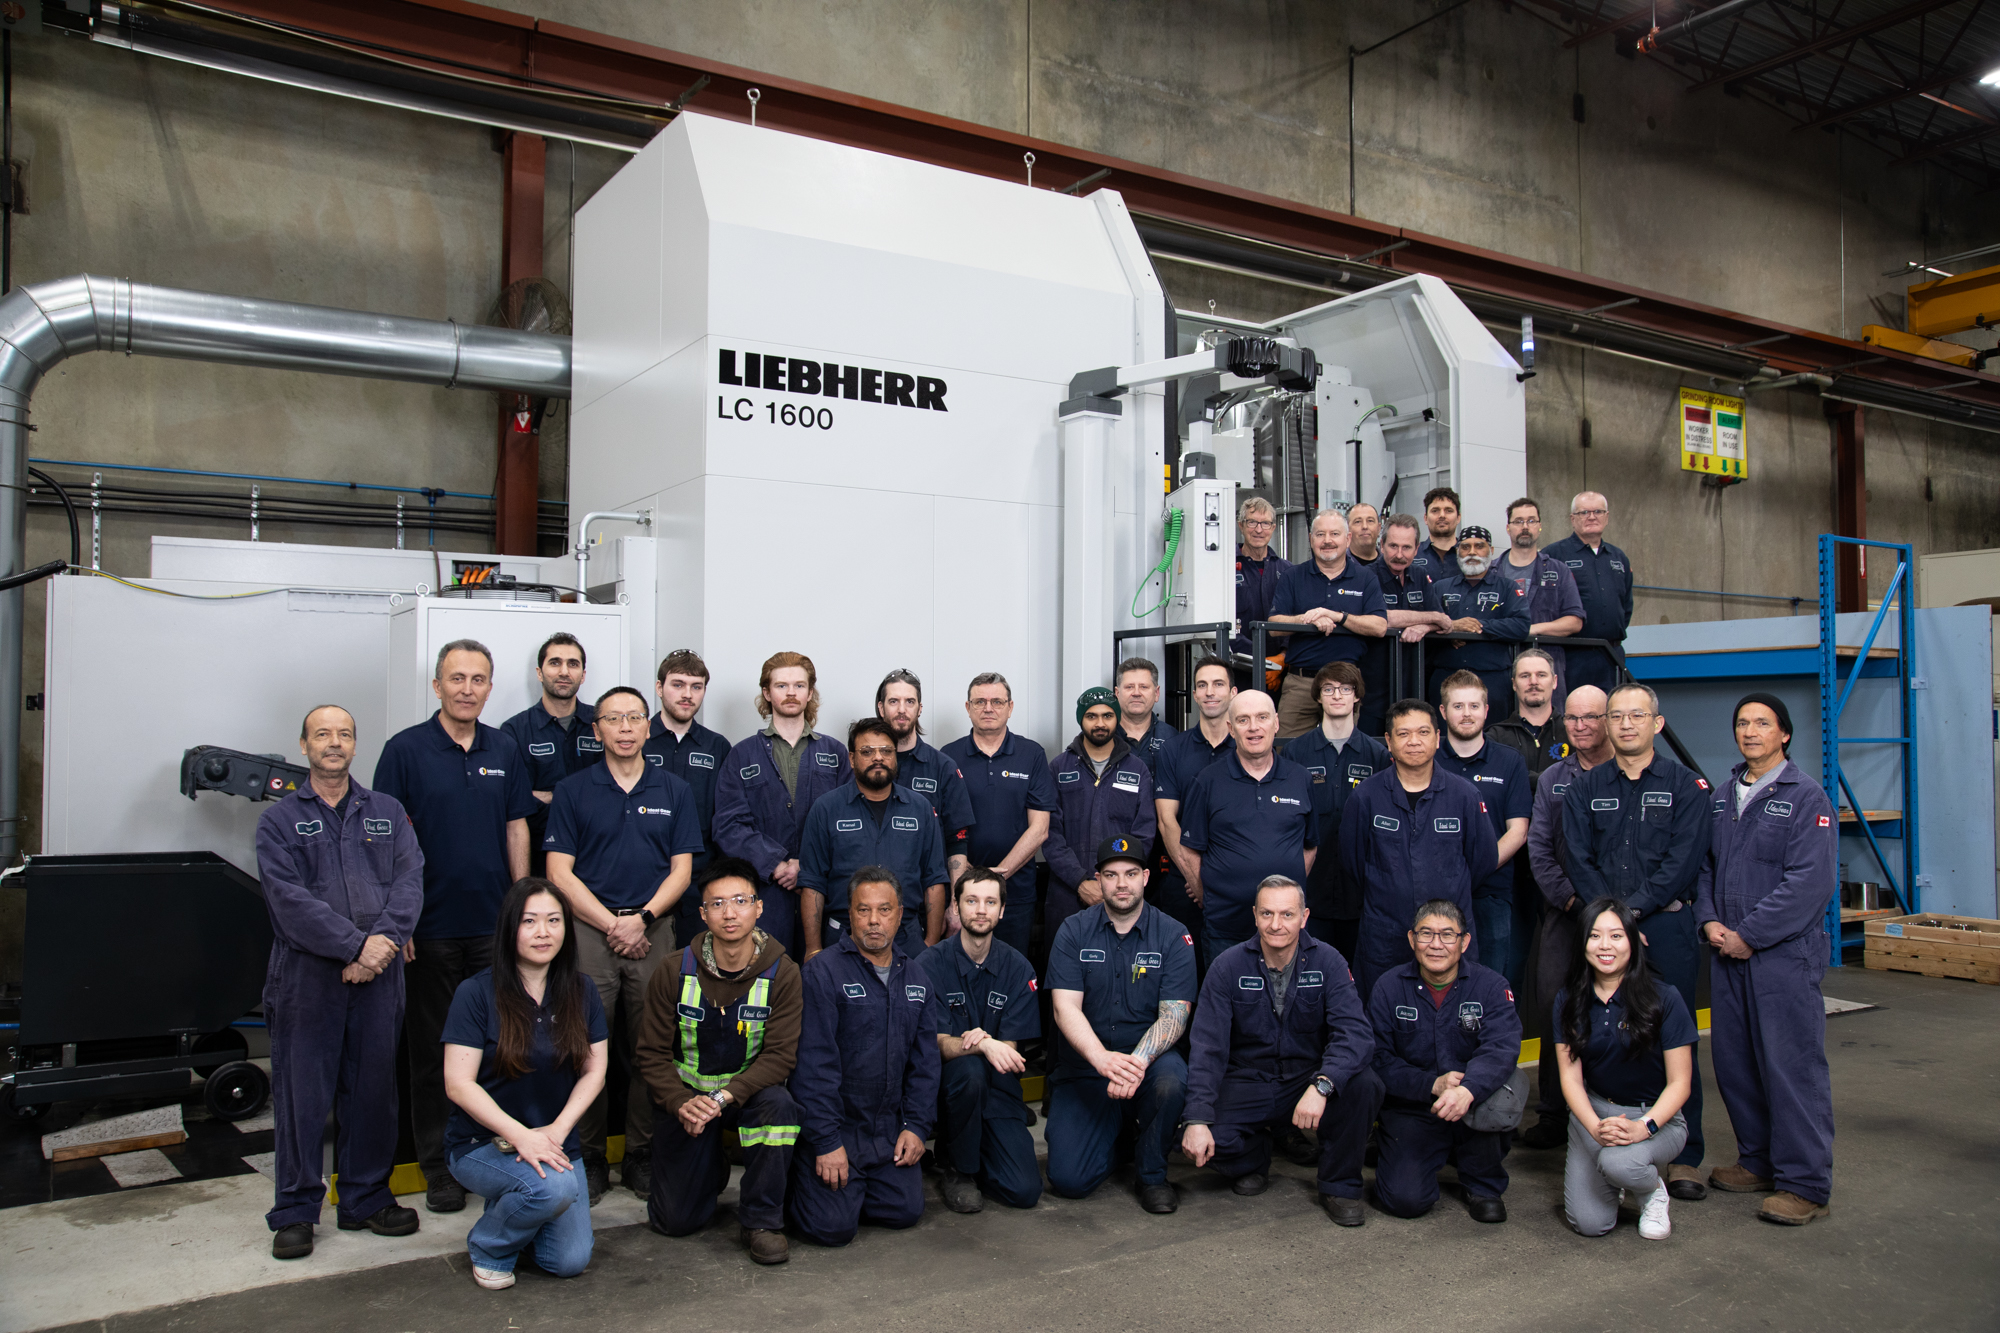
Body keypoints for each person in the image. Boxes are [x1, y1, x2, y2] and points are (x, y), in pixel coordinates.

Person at [373, 639, 535, 1213]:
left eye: (478, 679)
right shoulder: (404, 750)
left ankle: (488, 1156)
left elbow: (517, 826)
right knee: (432, 1054)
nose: (468, 689)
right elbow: (383, 838)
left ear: (490, 687)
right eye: (457, 678)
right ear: (437, 685)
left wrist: (520, 908)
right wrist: (396, 920)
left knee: (500, 1049)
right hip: (428, 930)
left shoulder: (505, 747)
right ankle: (438, 1168)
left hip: (493, 930)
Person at [260, 705, 423, 1260]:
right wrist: (356, 947)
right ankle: (295, 1210)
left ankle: (364, 1198)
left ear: (355, 745)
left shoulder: (387, 811)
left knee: (373, 1089)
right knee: (303, 1095)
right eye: (323, 734)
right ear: (304, 745)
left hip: (380, 974)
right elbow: (288, 901)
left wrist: (380, 944)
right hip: (308, 977)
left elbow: (410, 881)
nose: (334, 742)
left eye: (344, 734)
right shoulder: (279, 820)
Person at [544, 685, 702, 1202]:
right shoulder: (573, 790)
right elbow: (558, 872)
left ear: (648, 726)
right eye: (614, 719)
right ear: (597, 730)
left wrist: (643, 919)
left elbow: (683, 871)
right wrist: (613, 924)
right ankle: (590, 1156)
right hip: (590, 932)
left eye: (634, 717)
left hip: (654, 932)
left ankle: (639, 1153)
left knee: (650, 1047)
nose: (626, 728)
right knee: (586, 1045)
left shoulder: (674, 790)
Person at [1563, 682, 1714, 1201]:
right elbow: (1577, 857)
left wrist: (1629, 916)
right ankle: (1606, 1141)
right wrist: (1612, 922)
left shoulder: (1687, 787)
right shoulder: (1584, 788)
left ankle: (1685, 1155)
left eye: (1637, 715)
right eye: (1616, 716)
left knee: (1677, 1040)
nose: (1626, 724)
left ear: (1657, 723)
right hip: (1602, 933)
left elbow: (1683, 861)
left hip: (1664, 928)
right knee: (1599, 1034)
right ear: (1606, 724)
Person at [1696, 694, 1836, 1225]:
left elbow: (1809, 883)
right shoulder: (1723, 795)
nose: (1750, 731)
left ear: (1785, 734)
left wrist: (1750, 934)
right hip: (1727, 950)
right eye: (1742, 723)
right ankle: (1757, 1161)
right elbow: (1705, 867)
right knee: (1736, 1063)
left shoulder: (1806, 796)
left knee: (1791, 1066)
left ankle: (1804, 1183)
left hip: (1782, 956)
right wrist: (1709, 921)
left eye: (1762, 723)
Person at [1182, 877, 1384, 1226]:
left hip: (1307, 1078)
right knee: (1190, 1134)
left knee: (1365, 1084)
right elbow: (1207, 1048)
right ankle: (1254, 1156)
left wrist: (1323, 1084)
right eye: (1267, 914)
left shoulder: (1329, 962)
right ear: (1255, 915)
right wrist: (1197, 1119)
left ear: (1304, 917)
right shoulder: (1228, 966)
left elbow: (1356, 1035)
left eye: (1287, 914)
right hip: (1249, 1080)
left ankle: (1338, 1185)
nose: (1276, 924)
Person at [440, 878, 608, 1289]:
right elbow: (458, 1084)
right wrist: (522, 1137)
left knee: (570, 1261)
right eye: (529, 921)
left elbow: (595, 1070)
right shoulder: (475, 993)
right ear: (509, 928)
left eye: (554, 920)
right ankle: (489, 1244)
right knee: (554, 1190)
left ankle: (521, 1207)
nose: (542, 932)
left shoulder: (582, 989)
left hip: (555, 1142)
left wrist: (557, 1131)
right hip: (484, 1144)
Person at [635, 857, 803, 1266]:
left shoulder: (784, 973)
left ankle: (761, 1220)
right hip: (688, 1103)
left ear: (758, 907)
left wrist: (724, 1097)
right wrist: (680, 1101)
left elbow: (780, 1056)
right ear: (702, 913)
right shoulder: (673, 970)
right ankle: (709, 1166)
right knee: (675, 1221)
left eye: (741, 901)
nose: (730, 913)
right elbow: (651, 1054)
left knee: (779, 1107)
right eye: (717, 903)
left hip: (746, 1098)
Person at [788, 873, 942, 1246]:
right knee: (832, 1229)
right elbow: (813, 1066)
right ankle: (804, 1177)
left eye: (884, 910)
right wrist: (826, 1141)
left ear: (900, 914)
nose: (874, 920)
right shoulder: (823, 972)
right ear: (850, 915)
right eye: (863, 910)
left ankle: (852, 1190)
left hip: (887, 1131)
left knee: (905, 1211)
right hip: (838, 1126)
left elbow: (925, 1065)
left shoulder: (917, 978)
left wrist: (916, 1127)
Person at [1044, 836, 1196, 1213]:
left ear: (1145, 877)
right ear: (1099, 880)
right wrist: (1102, 1059)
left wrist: (1136, 1064)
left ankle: (1152, 1175)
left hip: (1148, 1063)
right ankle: (1122, 1136)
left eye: (1130, 873)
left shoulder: (1173, 934)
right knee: (1068, 1180)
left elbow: (1175, 1015)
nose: (1121, 883)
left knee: (1171, 1081)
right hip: (1087, 1066)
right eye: (1111, 875)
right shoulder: (1072, 931)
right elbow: (1064, 1009)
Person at [1367, 899, 1521, 1223]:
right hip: (1414, 1107)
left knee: (1506, 1089)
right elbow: (1378, 1057)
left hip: (1473, 1102)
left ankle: (1482, 1184)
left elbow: (1501, 1048)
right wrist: (1432, 1084)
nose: (1436, 944)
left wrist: (1468, 1089)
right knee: (1404, 1201)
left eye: (1447, 935)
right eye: (1426, 934)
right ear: (1412, 939)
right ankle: (1411, 1152)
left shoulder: (1492, 987)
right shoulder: (1388, 988)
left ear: (1464, 942)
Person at [1554, 898, 1696, 1240]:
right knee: (1590, 1224)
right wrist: (1595, 1127)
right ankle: (1616, 1177)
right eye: (1595, 936)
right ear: (1582, 942)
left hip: (1655, 1118)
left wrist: (1643, 1128)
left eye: (1616, 936)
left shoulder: (1664, 997)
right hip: (1595, 1115)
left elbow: (1680, 1084)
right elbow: (1570, 1078)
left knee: (1619, 1163)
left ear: (1633, 942)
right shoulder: (1568, 999)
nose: (1605, 946)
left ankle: (1651, 1190)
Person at [1340, 699, 1493, 1001]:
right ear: (1388, 741)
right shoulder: (1366, 797)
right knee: (1382, 1013)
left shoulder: (1464, 796)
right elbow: (1352, 862)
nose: (1414, 741)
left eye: (1423, 732)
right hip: (1385, 936)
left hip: (1447, 936)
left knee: (1452, 1012)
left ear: (1437, 738)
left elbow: (1483, 861)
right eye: (1403, 733)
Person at [1517, 685, 1612, 1150]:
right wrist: (1573, 902)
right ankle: (1555, 1112)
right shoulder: (1555, 777)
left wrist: (1614, 914)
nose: (1581, 726)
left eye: (1591, 717)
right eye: (1572, 718)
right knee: (1557, 1006)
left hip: (1619, 921)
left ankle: (1609, 1106)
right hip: (1565, 913)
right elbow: (1539, 848)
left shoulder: (1624, 773)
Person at [916, 866, 1042, 1213]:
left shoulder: (1019, 968)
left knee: (1024, 1191)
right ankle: (959, 1170)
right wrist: (982, 1043)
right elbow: (937, 1043)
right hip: (949, 1091)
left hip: (999, 1090)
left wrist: (984, 1043)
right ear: (956, 907)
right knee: (969, 1070)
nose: (981, 910)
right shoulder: (929, 965)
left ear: (1002, 910)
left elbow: (1011, 1051)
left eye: (990, 902)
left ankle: (973, 1147)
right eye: (971, 901)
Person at [713, 652, 852, 957]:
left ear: (810, 693)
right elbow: (728, 825)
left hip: (823, 891)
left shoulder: (835, 753)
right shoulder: (742, 755)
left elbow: (849, 821)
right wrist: (775, 864)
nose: (791, 693)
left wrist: (806, 865)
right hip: (765, 893)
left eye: (799, 685)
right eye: (781, 686)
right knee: (768, 973)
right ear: (767, 693)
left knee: (822, 972)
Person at [1176, 690, 1317, 961]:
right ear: (1231, 728)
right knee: (1227, 990)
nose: (1254, 727)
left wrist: (1288, 896)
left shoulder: (1300, 778)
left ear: (1276, 723)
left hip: (1286, 929)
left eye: (1262, 717)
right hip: (1225, 928)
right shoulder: (1207, 781)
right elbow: (1189, 851)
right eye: (1243, 720)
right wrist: (1209, 897)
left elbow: (1309, 846)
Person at [798, 718, 950, 959]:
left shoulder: (920, 808)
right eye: (867, 751)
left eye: (886, 751)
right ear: (851, 759)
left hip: (907, 937)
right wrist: (813, 949)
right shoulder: (826, 809)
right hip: (842, 937)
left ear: (895, 756)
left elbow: (934, 878)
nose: (878, 758)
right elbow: (812, 883)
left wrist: (930, 944)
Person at [942, 673, 1058, 957]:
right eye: (979, 702)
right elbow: (941, 825)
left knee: (1011, 967)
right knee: (961, 966)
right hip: (963, 890)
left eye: (997, 701)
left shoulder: (1031, 754)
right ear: (968, 707)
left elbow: (1040, 829)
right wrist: (970, 876)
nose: (988, 708)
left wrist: (999, 875)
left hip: (1016, 893)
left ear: (1010, 707)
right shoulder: (948, 756)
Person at [1282, 661, 1390, 958]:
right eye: (1329, 689)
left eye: (1345, 689)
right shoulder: (1295, 752)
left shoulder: (1377, 756)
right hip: (1309, 891)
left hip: (1362, 895)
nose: (1337, 695)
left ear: (1357, 696)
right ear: (1318, 696)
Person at [1433, 672, 1533, 987]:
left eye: (1474, 706)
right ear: (1443, 711)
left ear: (1486, 710)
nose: (1467, 714)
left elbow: (1518, 831)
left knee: (1490, 984)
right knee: (1436, 984)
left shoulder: (1510, 762)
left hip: (1492, 893)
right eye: (1458, 706)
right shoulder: (1428, 759)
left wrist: (1475, 870)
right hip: (1434, 893)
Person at [1045, 686, 1158, 943]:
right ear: (1081, 719)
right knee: (1066, 960)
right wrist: (1080, 882)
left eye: (1107, 715)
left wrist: (1115, 881)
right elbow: (1049, 833)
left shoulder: (1137, 770)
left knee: (1120, 961)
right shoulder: (1059, 768)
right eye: (1091, 716)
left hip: (1121, 894)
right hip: (1067, 893)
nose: (1100, 723)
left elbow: (1144, 834)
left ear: (1117, 718)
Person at [1267, 510, 1388, 739]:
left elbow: (1379, 626)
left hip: (1345, 684)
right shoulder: (1293, 576)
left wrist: (1338, 617)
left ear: (1348, 539)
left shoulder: (1365, 578)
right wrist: (1308, 618)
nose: (1327, 540)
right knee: (1287, 747)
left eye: (1334, 534)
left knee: (1342, 749)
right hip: (1300, 683)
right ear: (1311, 539)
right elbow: (1273, 625)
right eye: (1320, 534)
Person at [645, 650, 731, 946]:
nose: (687, 694)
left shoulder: (717, 747)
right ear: (659, 688)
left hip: (699, 883)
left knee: (695, 966)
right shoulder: (637, 740)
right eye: (678, 684)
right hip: (646, 881)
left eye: (696, 687)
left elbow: (726, 816)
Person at [1152, 655, 1236, 955]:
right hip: (1182, 882)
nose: (1210, 692)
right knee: (1183, 968)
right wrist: (1194, 877)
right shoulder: (1173, 749)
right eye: (1202, 685)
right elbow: (1167, 821)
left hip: (1234, 882)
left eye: (1218, 684)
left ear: (1233, 692)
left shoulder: (1248, 748)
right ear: (1195, 694)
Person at [503, 633, 597, 875]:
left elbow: (616, 790)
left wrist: (548, 796)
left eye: (573, 664)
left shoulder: (602, 723)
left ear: (583, 675)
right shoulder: (515, 731)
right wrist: (582, 799)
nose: (564, 672)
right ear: (539, 672)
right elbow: (515, 802)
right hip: (538, 858)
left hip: (597, 857)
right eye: (555, 663)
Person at [876, 668, 976, 885]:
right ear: (881, 708)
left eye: (909, 702)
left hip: (927, 893)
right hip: (872, 893)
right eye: (893, 701)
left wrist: (956, 897)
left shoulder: (943, 767)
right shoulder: (866, 765)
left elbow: (957, 838)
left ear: (919, 708)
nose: (902, 710)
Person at [1361, 514, 1452, 737]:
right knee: (1375, 747)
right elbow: (1382, 618)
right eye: (1393, 546)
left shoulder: (1420, 575)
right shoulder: (1366, 576)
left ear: (1417, 548)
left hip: (1414, 683)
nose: (1399, 555)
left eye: (1407, 547)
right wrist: (1431, 617)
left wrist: (1425, 627)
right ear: (1382, 544)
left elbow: (1443, 622)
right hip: (1374, 688)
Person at [1425, 526, 1530, 710]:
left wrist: (1479, 626)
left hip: (1492, 679)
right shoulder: (1440, 588)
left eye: (1479, 546)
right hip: (1446, 677)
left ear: (1491, 550)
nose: (1472, 552)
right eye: (1465, 547)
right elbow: (1424, 622)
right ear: (1458, 551)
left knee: (1494, 728)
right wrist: (1451, 628)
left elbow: (1521, 625)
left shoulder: (1507, 588)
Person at [1543, 491, 1633, 695]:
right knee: (1573, 709)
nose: (1592, 517)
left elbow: (1626, 605)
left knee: (1612, 709)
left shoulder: (1619, 557)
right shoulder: (1554, 555)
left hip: (1612, 655)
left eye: (1598, 511)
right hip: (1571, 655)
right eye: (1584, 512)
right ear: (1572, 519)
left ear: (1607, 517)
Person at [1495, 499, 1584, 699]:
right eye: (1518, 521)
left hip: (1546, 666)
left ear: (1540, 526)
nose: (1525, 527)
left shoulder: (1558, 570)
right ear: (1508, 528)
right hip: (1500, 666)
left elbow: (1574, 621)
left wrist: (1530, 630)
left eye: (1531, 521)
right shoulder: (1491, 572)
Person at [1232, 495, 1293, 665]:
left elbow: (1296, 617)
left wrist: (1283, 656)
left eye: (1265, 523)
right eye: (1252, 522)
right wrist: (1259, 658)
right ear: (1241, 525)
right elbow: (1220, 622)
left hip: (1280, 667)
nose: (1259, 530)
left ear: (1273, 527)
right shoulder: (1225, 569)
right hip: (1238, 664)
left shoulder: (1288, 571)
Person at [1113, 657, 1177, 767]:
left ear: (1156, 693)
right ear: (1117, 693)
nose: (1136, 693)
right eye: (1129, 687)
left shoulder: (1172, 738)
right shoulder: (1102, 736)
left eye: (1143, 687)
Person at [1412, 487, 1463, 580]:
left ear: (1458, 518)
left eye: (1448, 511)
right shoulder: (1412, 554)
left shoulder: (1468, 555)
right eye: (1435, 511)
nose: (1442, 515)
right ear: (1425, 518)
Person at [1345, 503, 1382, 568]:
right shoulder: (1338, 565)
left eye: (1370, 521)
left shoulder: (1390, 564)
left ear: (1379, 528)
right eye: (1358, 522)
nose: (1365, 526)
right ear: (1347, 529)